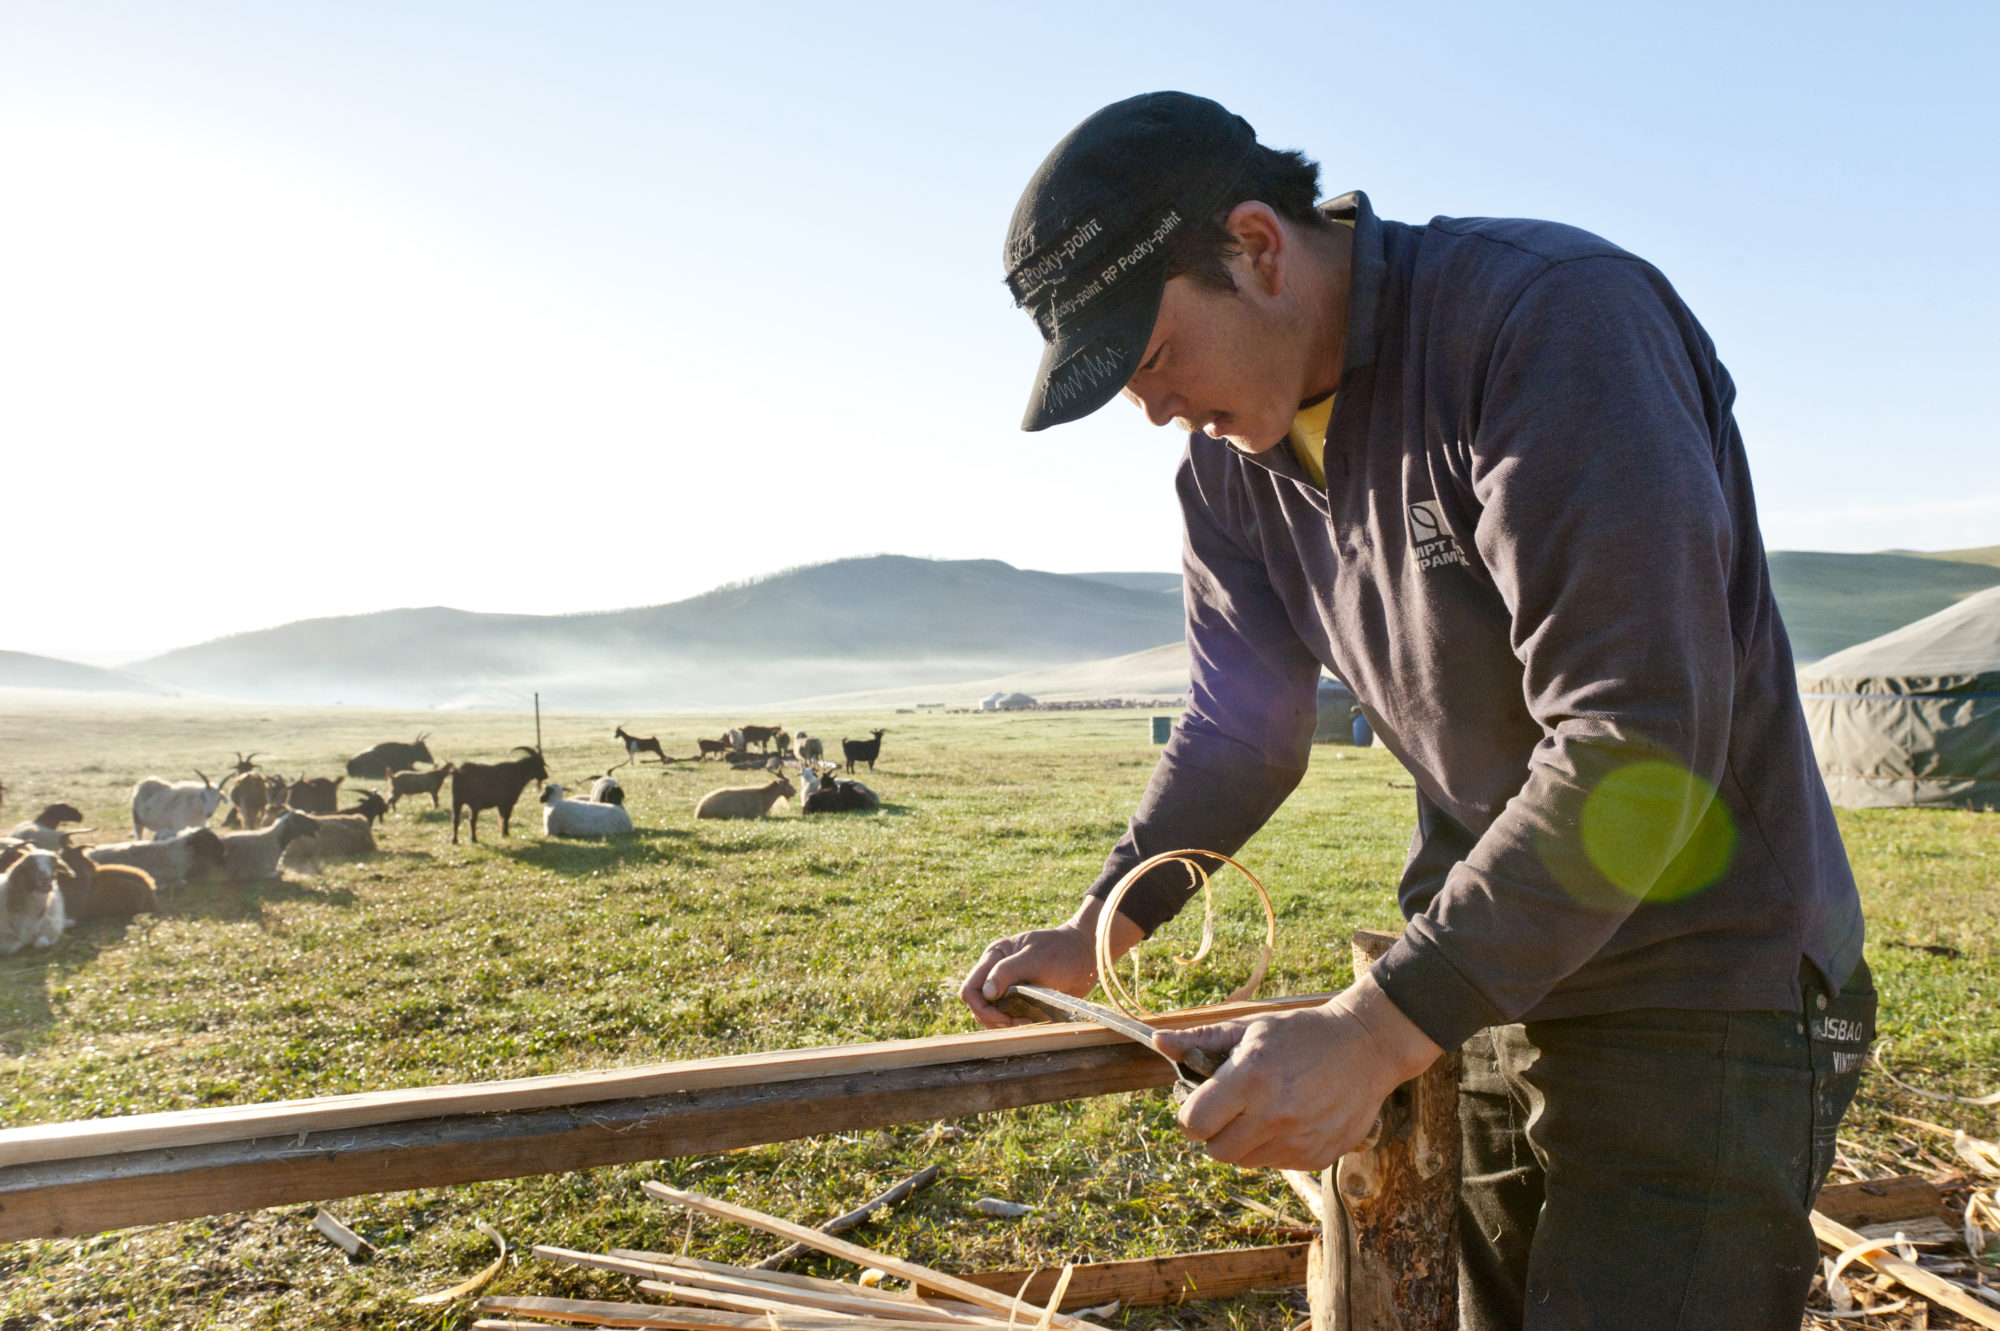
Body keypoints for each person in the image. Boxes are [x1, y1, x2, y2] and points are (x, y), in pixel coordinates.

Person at [959, 91, 1874, 1330]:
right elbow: (1240, 727)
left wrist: (1380, 1026)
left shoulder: (1545, 324)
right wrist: (1107, 923)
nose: (1151, 406)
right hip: (1493, 971)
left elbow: (1635, 736)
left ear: (1257, 245)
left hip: (1700, 981)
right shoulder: (1229, 473)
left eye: (1151, 356)